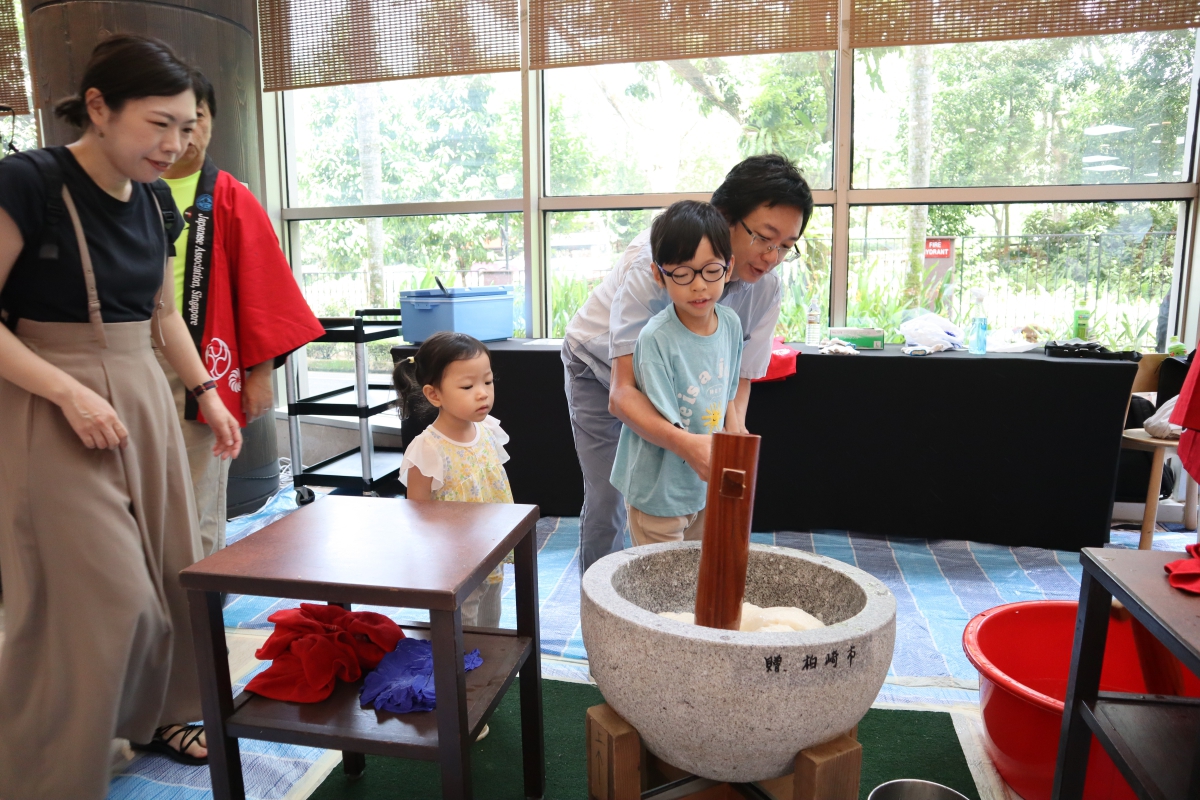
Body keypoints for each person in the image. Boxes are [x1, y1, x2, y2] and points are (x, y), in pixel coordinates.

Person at [0, 36, 243, 798]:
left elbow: (163, 314)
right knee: (106, 599)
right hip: (49, 396)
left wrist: (207, 393)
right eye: (158, 124)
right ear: (98, 108)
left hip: (143, 392)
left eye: (186, 127)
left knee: (174, 576)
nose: (175, 145)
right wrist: (67, 392)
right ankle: (42, 767)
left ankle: (155, 717)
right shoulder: (29, 181)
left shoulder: (155, 199)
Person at [563, 154, 813, 573]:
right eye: (764, 238)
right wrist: (685, 443)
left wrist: (732, 436)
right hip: (600, 367)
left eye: (786, 246)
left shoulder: (765, 287)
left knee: (697, 499)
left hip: (685, 388)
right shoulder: (655, 263)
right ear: (725, 217)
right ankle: (600, 601)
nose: (772, 257)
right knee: (611, 498)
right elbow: (623, 393)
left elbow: (740, 376)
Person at [158, 70, 324, 556]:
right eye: (168, 120)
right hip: (130, 358)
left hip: (204, 359)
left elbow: (264, 291)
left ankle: (201, 593)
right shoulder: (127, 188)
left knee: (199, 495)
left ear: (211, 121)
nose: (185, 133)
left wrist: (260, 374)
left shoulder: (231, 196)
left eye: (196, 118)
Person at [610, 201, 744, 545]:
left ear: (729, 267)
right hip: (659, 491)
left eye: (710, 270)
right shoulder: (655, 338)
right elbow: (664, 422)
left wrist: (735, 445)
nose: (699, 286)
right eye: (682, 274)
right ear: (659, 275)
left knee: (698, 569)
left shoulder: (730, 324)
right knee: (660, 575)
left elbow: (727, 395)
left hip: (702, 484)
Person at [393, 332, 511, 628]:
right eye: (468, 386)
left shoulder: (488, 431)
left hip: (490, 550)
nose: (482, 393)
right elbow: (417, 514)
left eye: (488, 381)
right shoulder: (428, 449)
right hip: (453, 565)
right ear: (435, 395)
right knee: (462, 629)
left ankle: (486, 657)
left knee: (490, 625)